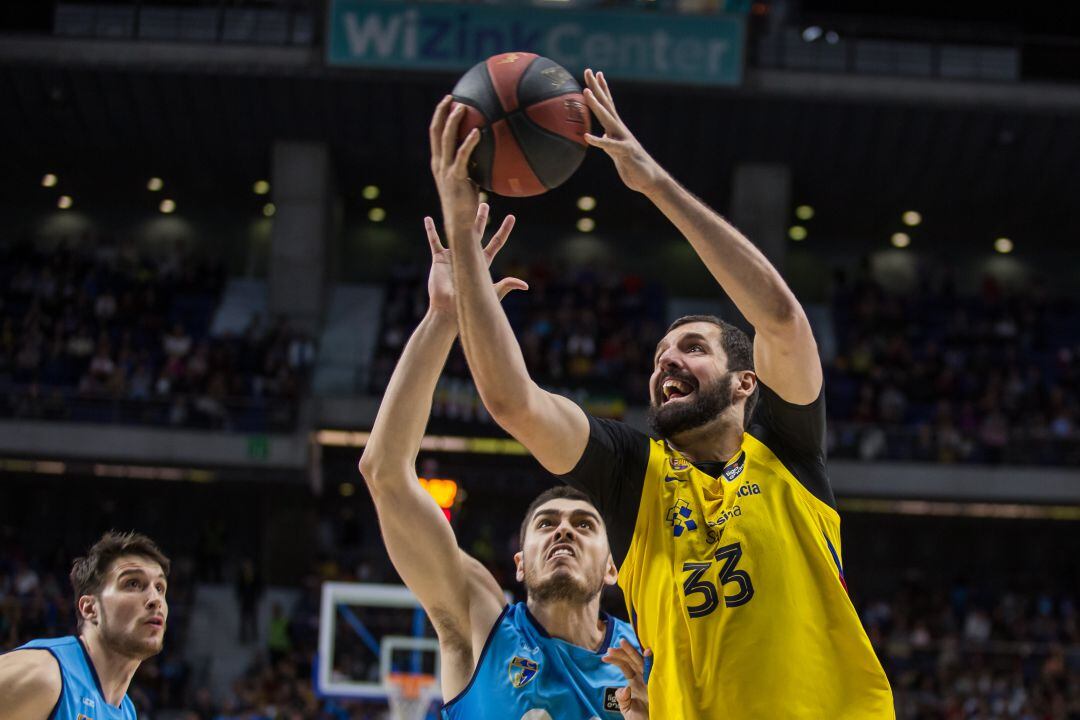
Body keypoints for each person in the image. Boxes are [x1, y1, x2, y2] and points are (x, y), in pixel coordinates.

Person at [429, 68, 894, 719]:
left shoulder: (788, 452)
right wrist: (461, 235)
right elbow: (513, 402)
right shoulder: (633, 475)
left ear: (745, 382)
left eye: (693, 349)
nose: (667, 361)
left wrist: (654, 183)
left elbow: (783, 322)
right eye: (658, 357)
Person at [359, 216, 650, 720]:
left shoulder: (648, 659)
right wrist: (443, 318)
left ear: (612, 568)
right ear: (519, 562)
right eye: (546, 524)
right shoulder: (480, 623)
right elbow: (384, 473)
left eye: (584, 524)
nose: (564, 531)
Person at [0, 531, 170, 720]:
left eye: (160, 587)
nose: (155, 599)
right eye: (132, 583)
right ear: (89, 608)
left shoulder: (127, 712)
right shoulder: (45, 674)